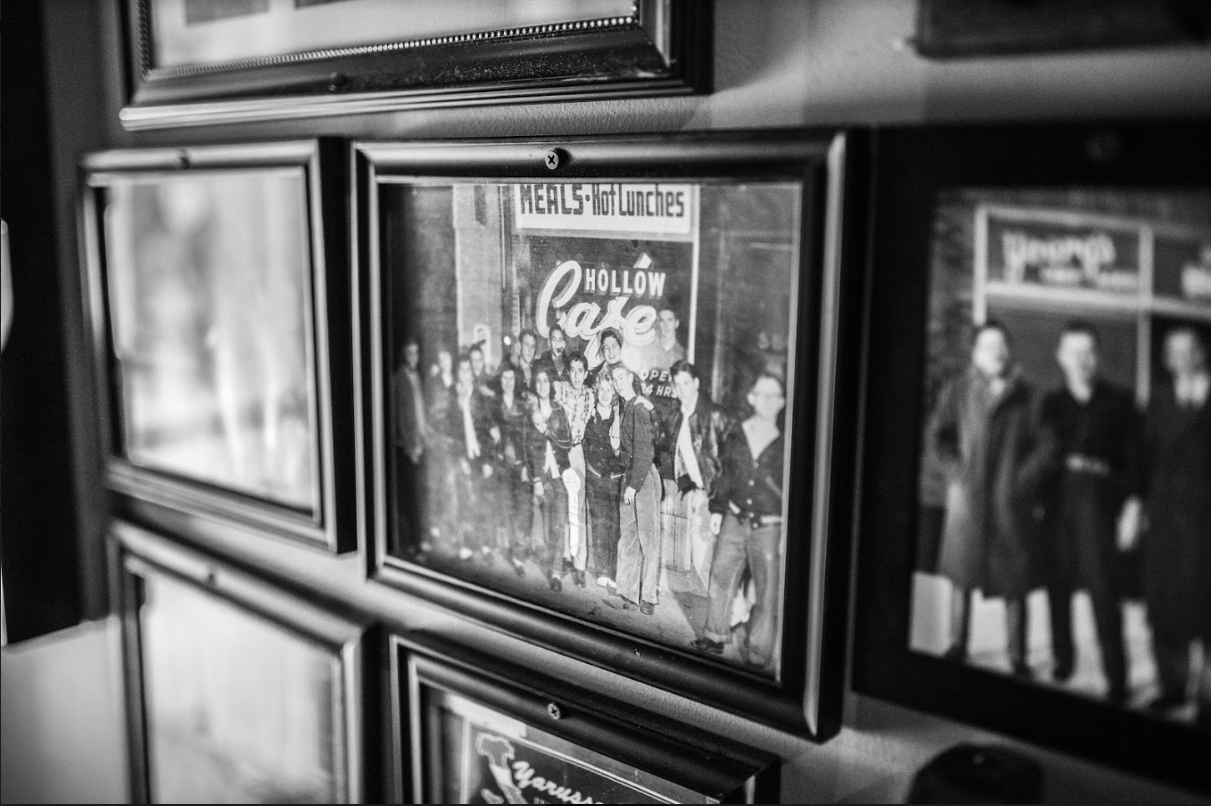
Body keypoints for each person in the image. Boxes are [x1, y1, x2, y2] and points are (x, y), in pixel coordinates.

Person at [926, 321, 1055, 678]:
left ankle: (1017, 655)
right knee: (961, 577)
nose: (995, 353)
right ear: (975, 354)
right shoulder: (958, 390)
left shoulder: (1030, 395)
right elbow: (939, 436)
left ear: (1009, 351)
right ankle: (957, 643)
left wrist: (1021, 482)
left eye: (1001, 346)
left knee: (1016, 582)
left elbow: (1048, 446)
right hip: (967, 503)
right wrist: (958, 472)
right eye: (987, 347)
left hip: (1009, 504)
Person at [1039, 321, 1141, 704]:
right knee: (1057, 589)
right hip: (1056, 506)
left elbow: (1134, 463)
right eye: (1073, 353)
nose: (1081, 361)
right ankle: (1064, 660)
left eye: (1088, 353)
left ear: (1097, 357)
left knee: (1103, 592)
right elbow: (1039, 458)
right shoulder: (1050, 403)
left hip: (1099, 507)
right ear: (1061, 358)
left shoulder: (1120, 402)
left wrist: (1131, 507)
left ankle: (1117, 677)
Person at [1139, 326, 1211, 728]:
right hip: (1167, 523)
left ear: (1203, 354)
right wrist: (1135, 506)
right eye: (1173, 353)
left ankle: (1208, 704)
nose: (1181, 359)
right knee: (1165, 610)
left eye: (1190, 351)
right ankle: (1172, 688)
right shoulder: (1159, 401)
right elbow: (1142, 458)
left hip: (1208, 525)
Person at [692, 372, 786, 668]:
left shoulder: (788, 441)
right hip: (734, 516)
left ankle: (759, 654)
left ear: (781, 402)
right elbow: (725, 474)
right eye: (761, 394)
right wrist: (718, 510)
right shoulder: (737, 432)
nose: (767, 401)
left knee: (767, 590)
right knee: (720, 575)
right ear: (751, 398)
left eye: (774, 396)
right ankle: (714, 636)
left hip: (769, 526)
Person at [657, 360, 730, 592]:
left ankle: (727, 617)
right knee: (704, 559)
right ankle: (730, 615)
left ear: (696, 383)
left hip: (722, 498)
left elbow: (729, 463)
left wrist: (718, 504)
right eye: (677, 384)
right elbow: (680, 458)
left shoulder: (714, 415)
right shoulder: (678, 417)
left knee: (706, 559)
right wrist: (693, 488)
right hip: (703, 495)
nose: (682, 389)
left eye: (686, 383)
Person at [605, 364, 661, 615]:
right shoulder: (626, 407)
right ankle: (628, 592)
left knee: (648, 539)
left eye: (620, 377)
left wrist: (633, 485)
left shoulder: (638, 407)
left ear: (630, 377)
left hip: (643, 477)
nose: (617, 383)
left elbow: (645, 452)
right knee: (628, 536)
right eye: (614, 380)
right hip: (631, 476)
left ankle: (648, 596)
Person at [524, 368, 575, 592]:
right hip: (542, 477)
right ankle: (549, 562)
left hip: (559, 476)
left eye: (546, 380)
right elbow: (528, 448)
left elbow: (568, 442)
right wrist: (535, 479)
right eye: (539, 381)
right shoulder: (530, 413)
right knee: (545, 526)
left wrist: (549, 432)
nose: (543, 384)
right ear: (535, 385)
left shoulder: (558, 410)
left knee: (559, 522)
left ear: (551, 384)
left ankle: (555, 572)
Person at [447, 355, 498, 561]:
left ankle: (485, 544)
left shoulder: (478, 396)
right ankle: (468, 544)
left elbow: (486, 429)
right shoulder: (453, 398)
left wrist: (487, 460)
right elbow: (451, 432)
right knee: (465, 500)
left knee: (483, 501)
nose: (466, 374)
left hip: (479, 455)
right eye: (462, 370)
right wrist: (460, 459)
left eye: (469, 370)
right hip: (463, 457)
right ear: (458, 373)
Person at [582, 369, 627, 590]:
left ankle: (614, 571)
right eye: (602, 389)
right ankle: (602, 571)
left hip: (616, 479)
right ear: (597, 391)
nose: (605, 393)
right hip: (596, 477)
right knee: (599, 523)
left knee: (616, 525)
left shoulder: (620, 416)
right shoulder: (590, 415)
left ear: (614, 392)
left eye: (609, 389)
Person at [557, 351, 595, 587]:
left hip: (579, 452)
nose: (577, 375)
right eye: (573, 370)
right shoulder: (560, 389)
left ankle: (579, 565)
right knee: (562, 505)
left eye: (581, 370)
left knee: (578, 510)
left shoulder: (591, 395)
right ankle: (563, 558)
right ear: (568, 372)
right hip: (561, 451)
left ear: (586, 373)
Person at [492, 363, 533, 576]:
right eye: (504, 379)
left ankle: (518, 554)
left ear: (516, 381)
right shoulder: (494, 405)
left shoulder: (523, 405)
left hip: (520, 466)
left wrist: (526, 465)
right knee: (507, 508)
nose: (508, 383)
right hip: (502, 466)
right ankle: (512, 550)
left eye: (511, 379)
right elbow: (486, 428)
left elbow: (528, 439)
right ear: (500, 381)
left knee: (524, 509)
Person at [391, 335, 428, 550]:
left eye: (416, 352)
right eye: (410, 353)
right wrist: (410, 446)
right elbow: (402, 417)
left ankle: (419, 537)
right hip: (408, 446)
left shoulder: (417, 377)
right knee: (411, 496)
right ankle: (414, 541)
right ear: (403, 355)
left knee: (420, 492)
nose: (414, 357)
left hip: (420, 441)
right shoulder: (399, 379)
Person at [634, 305, 686, 380]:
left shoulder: (683, 353)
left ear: (677, 323)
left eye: (670, 320)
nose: (666, 325)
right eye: (662, 321)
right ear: (658, 323)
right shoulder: (648, 351)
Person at [534, 324, 570, 388]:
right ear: (549, 342)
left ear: (564, 344)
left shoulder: (569, 364)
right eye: (554, 340)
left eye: (560, 340)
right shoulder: (541, 364)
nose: (557, 344)